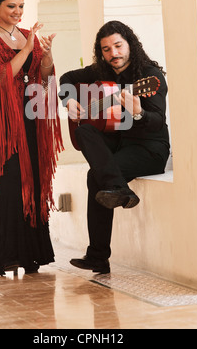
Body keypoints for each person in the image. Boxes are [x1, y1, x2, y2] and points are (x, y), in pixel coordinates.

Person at [59, 21, 170, 274]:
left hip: (150, 149)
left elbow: (157, 123)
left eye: (118, 46)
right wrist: (70, 101)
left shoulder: (149, 76)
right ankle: (119, 188)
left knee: (94, 175)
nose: (114, 54)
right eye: (106, 49)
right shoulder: (103, 70)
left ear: (130, 43)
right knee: (84, 129)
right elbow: (67, 79)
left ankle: (98, 256)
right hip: (122, 145)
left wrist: (139, 112)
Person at [0, 0, 63, 276]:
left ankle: (33, 255)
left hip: (31, 115)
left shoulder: (28, 36)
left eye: (22, 6)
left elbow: (43, 75)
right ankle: (7, 256)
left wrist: (47, 57)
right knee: (11, 182)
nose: (18, 12)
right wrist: (27, 49)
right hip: (5, 121)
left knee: (35, 181)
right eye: (11, 6)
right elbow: (0, 78)